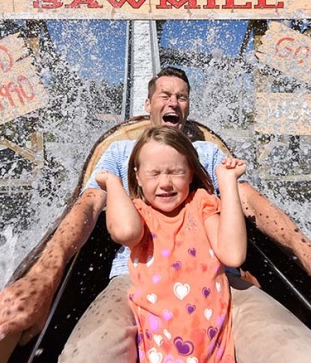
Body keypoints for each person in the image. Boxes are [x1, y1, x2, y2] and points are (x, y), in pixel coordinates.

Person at [0, 67, 311, 362]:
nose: (173, 102)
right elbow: (88, 207)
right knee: (85, 355)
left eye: (181, 96)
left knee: (303, 354)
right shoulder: (120, 153)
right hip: (135, 281)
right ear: (149, 104)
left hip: (221, 279)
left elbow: (251, 203)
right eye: (165, 95)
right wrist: (44, 277)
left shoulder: (207, 154)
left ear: (187, 107)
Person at [96, 126, 246, 362]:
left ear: (190, 174)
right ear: (137, 176)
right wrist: (113, 183)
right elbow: (125, 232)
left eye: (175, 172)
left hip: (214, 349)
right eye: (154, 174)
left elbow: (233, 255)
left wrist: (227, 183)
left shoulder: (201, 205)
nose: (165, 183)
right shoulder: (139, 214)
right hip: (160, 349)